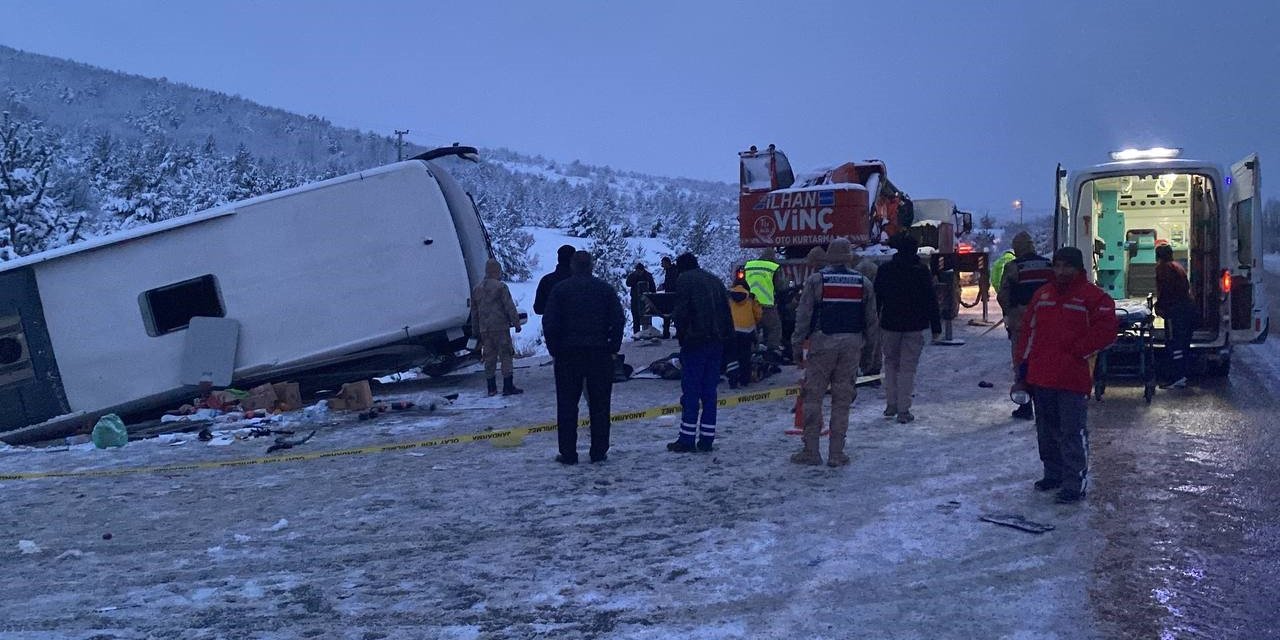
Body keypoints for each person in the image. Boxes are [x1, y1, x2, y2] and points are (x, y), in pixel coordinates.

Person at [1013, 247, 1117, 504]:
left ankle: (1074, 481)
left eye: (1066, 266)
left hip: (1072, 378)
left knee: (1072, 431)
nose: (1060, 271)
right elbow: (1028, 333)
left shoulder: (1093, 298)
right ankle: (1053, 474)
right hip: (1041, 376)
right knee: (1046, 431)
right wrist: (1022, 367)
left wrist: (1078, 351)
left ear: (1078, 269)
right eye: (1057, 266)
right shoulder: (1043, 295)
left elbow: (1106, 331)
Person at [789, 238, 879, 466]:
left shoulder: (817, 281)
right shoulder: (863, 283)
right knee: (842, 400)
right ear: (849, 257)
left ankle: (811, 450)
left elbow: (803, 316)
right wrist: (870, 355)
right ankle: (837, 453)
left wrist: (797, 345)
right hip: (851, 346)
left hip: (822, 343)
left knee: (813, 397)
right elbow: (871, 323)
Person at [543, 251, 625, 465]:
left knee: (567, 405)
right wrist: (613, 347)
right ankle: (599, 451)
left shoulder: (560, 290)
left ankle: (568, 453)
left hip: (568, 355)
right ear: (591, 266)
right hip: (599, 353)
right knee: (600, 404)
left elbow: (549, 323)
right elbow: (618, 319)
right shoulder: (605, 290)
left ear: (572, 266)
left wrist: (555, 350)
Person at [666, 252, 733, 453]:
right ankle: (706, 439)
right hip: (716, 342)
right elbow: (726, 312)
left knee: (691, 392)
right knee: (709, 393)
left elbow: (681, 312)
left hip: (695, 343)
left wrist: (682, 335)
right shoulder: (714, 280)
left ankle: (686, 439)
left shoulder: (685, 280)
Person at [873, 234, 942, 424]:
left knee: (890, 364)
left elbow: (876, 298)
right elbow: (931, 300)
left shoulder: (885, 270)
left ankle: (891, 404)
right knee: (907, 368)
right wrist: (936, 327)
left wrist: (873, 321)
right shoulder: (921, 272)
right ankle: (904, 409)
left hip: (890, 324)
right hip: (914, 325)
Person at [997, 232, 1052, 420]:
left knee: (1022, 365)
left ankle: (1025, 407)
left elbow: (1003, 295)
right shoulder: (1048, 265)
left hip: (1021, 324)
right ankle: (1046, 406)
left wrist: (1009, 316)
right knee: (1045, 364)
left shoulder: (1013, 267)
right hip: (1046, 324)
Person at [470, 259, 523, 396]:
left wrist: (475, 331)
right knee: (505, 355)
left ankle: (491, 388)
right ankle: (508, 386)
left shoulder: (477, 289)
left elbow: (474, 313)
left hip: (484, 330)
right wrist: (516, 323)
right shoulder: (501, 287)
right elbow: (509, 306)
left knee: (489, 357)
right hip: (500, 327)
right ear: (496, 271)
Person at [1154, 243, 1193, 389]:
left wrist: (1159, 307)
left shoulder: (1164, 269)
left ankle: (1176, 377)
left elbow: (1166, 291)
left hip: (1176, 311)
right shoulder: (1177, 267)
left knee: (1174, 343)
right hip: (1186, 309)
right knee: (1182, 343)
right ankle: (1181, 374)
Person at [743, 248, 786, 352]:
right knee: (774, 328)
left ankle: (752, 351)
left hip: (749, 304)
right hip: (766, 305)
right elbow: (780, 286)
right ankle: (772, 351)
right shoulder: (773, 267)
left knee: (753, 329)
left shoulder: (749, 266)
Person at [726, 283, 762, 388]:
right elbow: (758, 314)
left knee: (732, 356)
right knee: (745, 356)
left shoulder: (729, 297)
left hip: (732, 330)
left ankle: (733, 380)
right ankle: (744, 379)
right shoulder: (751, 298)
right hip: (747, 331)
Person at [854, 253, 882, 377]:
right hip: (874, 306)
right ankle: (873, 368)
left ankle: (863, 367)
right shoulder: (871, 268)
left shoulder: (857, 271)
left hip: (859, 308)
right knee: (874, 338)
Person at [533, 244, 576, 317]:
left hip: (553, 325)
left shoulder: (546, 280)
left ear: (558, 259)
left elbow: (538, 308)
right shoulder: (581, 282)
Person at [625, 262, 657, 336]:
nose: (638, 272)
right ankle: (636, 334)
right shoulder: (633, 275)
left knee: (647, 318)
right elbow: (628, 283)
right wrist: (634, 277)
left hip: (646, 300)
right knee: (636, 318)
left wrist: (652, 297)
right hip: (635, 300)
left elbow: (652, 287)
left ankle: (648, 333)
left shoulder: (648, 276)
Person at [659, 256, 679, 339]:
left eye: (663, 263)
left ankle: (677, 332)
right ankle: (666, 332)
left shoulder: (674, 271)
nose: (662, 265)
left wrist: (664, 286)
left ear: (667, 263)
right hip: (669, 295)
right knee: (667, 313)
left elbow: (672, 283)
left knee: (674, 314)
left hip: (673, 295)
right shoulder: (669, 270)